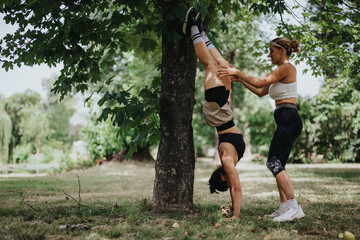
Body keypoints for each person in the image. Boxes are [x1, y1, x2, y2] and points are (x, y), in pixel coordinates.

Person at [217, 37, 305, 222]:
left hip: (289, 118)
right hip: (286, 120)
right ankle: (284, 207)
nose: (269, 54)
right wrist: (240, 80)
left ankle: (294, 205)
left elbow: (259, 82)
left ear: (282, 51)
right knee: (279, 164)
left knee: (273, 162)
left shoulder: (286, 68)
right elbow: (259, 90)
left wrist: (238, 72)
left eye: (271, 50)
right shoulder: (279, 71)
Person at [183, 7, 246, 220]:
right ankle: (202, 32)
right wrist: (232, 208)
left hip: (217, 115)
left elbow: (235, 188)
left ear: (223, 176)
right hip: (223, 114)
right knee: (225, 66)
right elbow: (233, 188)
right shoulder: (229, 165)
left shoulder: (227, 160)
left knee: (210, 65)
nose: (233, 180)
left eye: (228, 179)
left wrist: (235, 217)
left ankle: (191, 27)